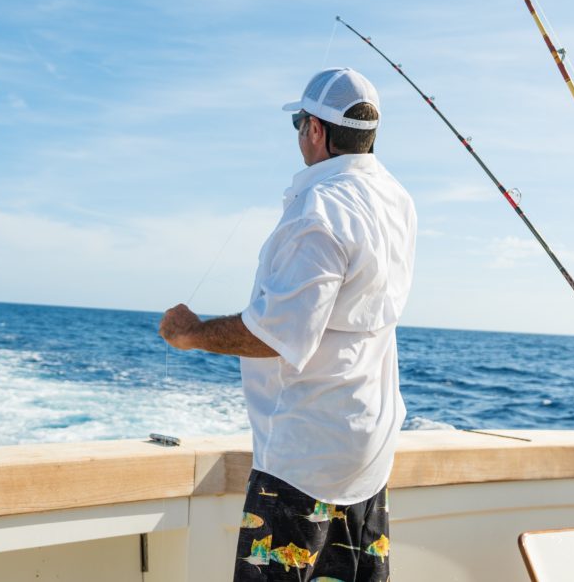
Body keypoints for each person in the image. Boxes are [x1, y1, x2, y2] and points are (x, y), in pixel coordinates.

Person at [159, 67, 417, 581]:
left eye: (300, 121)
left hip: (304, 464)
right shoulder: (398, 202)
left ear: (317, 131)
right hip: (368, 454)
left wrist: (190, 334)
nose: (299, 131)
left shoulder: (320, 211)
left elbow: (275, 334)